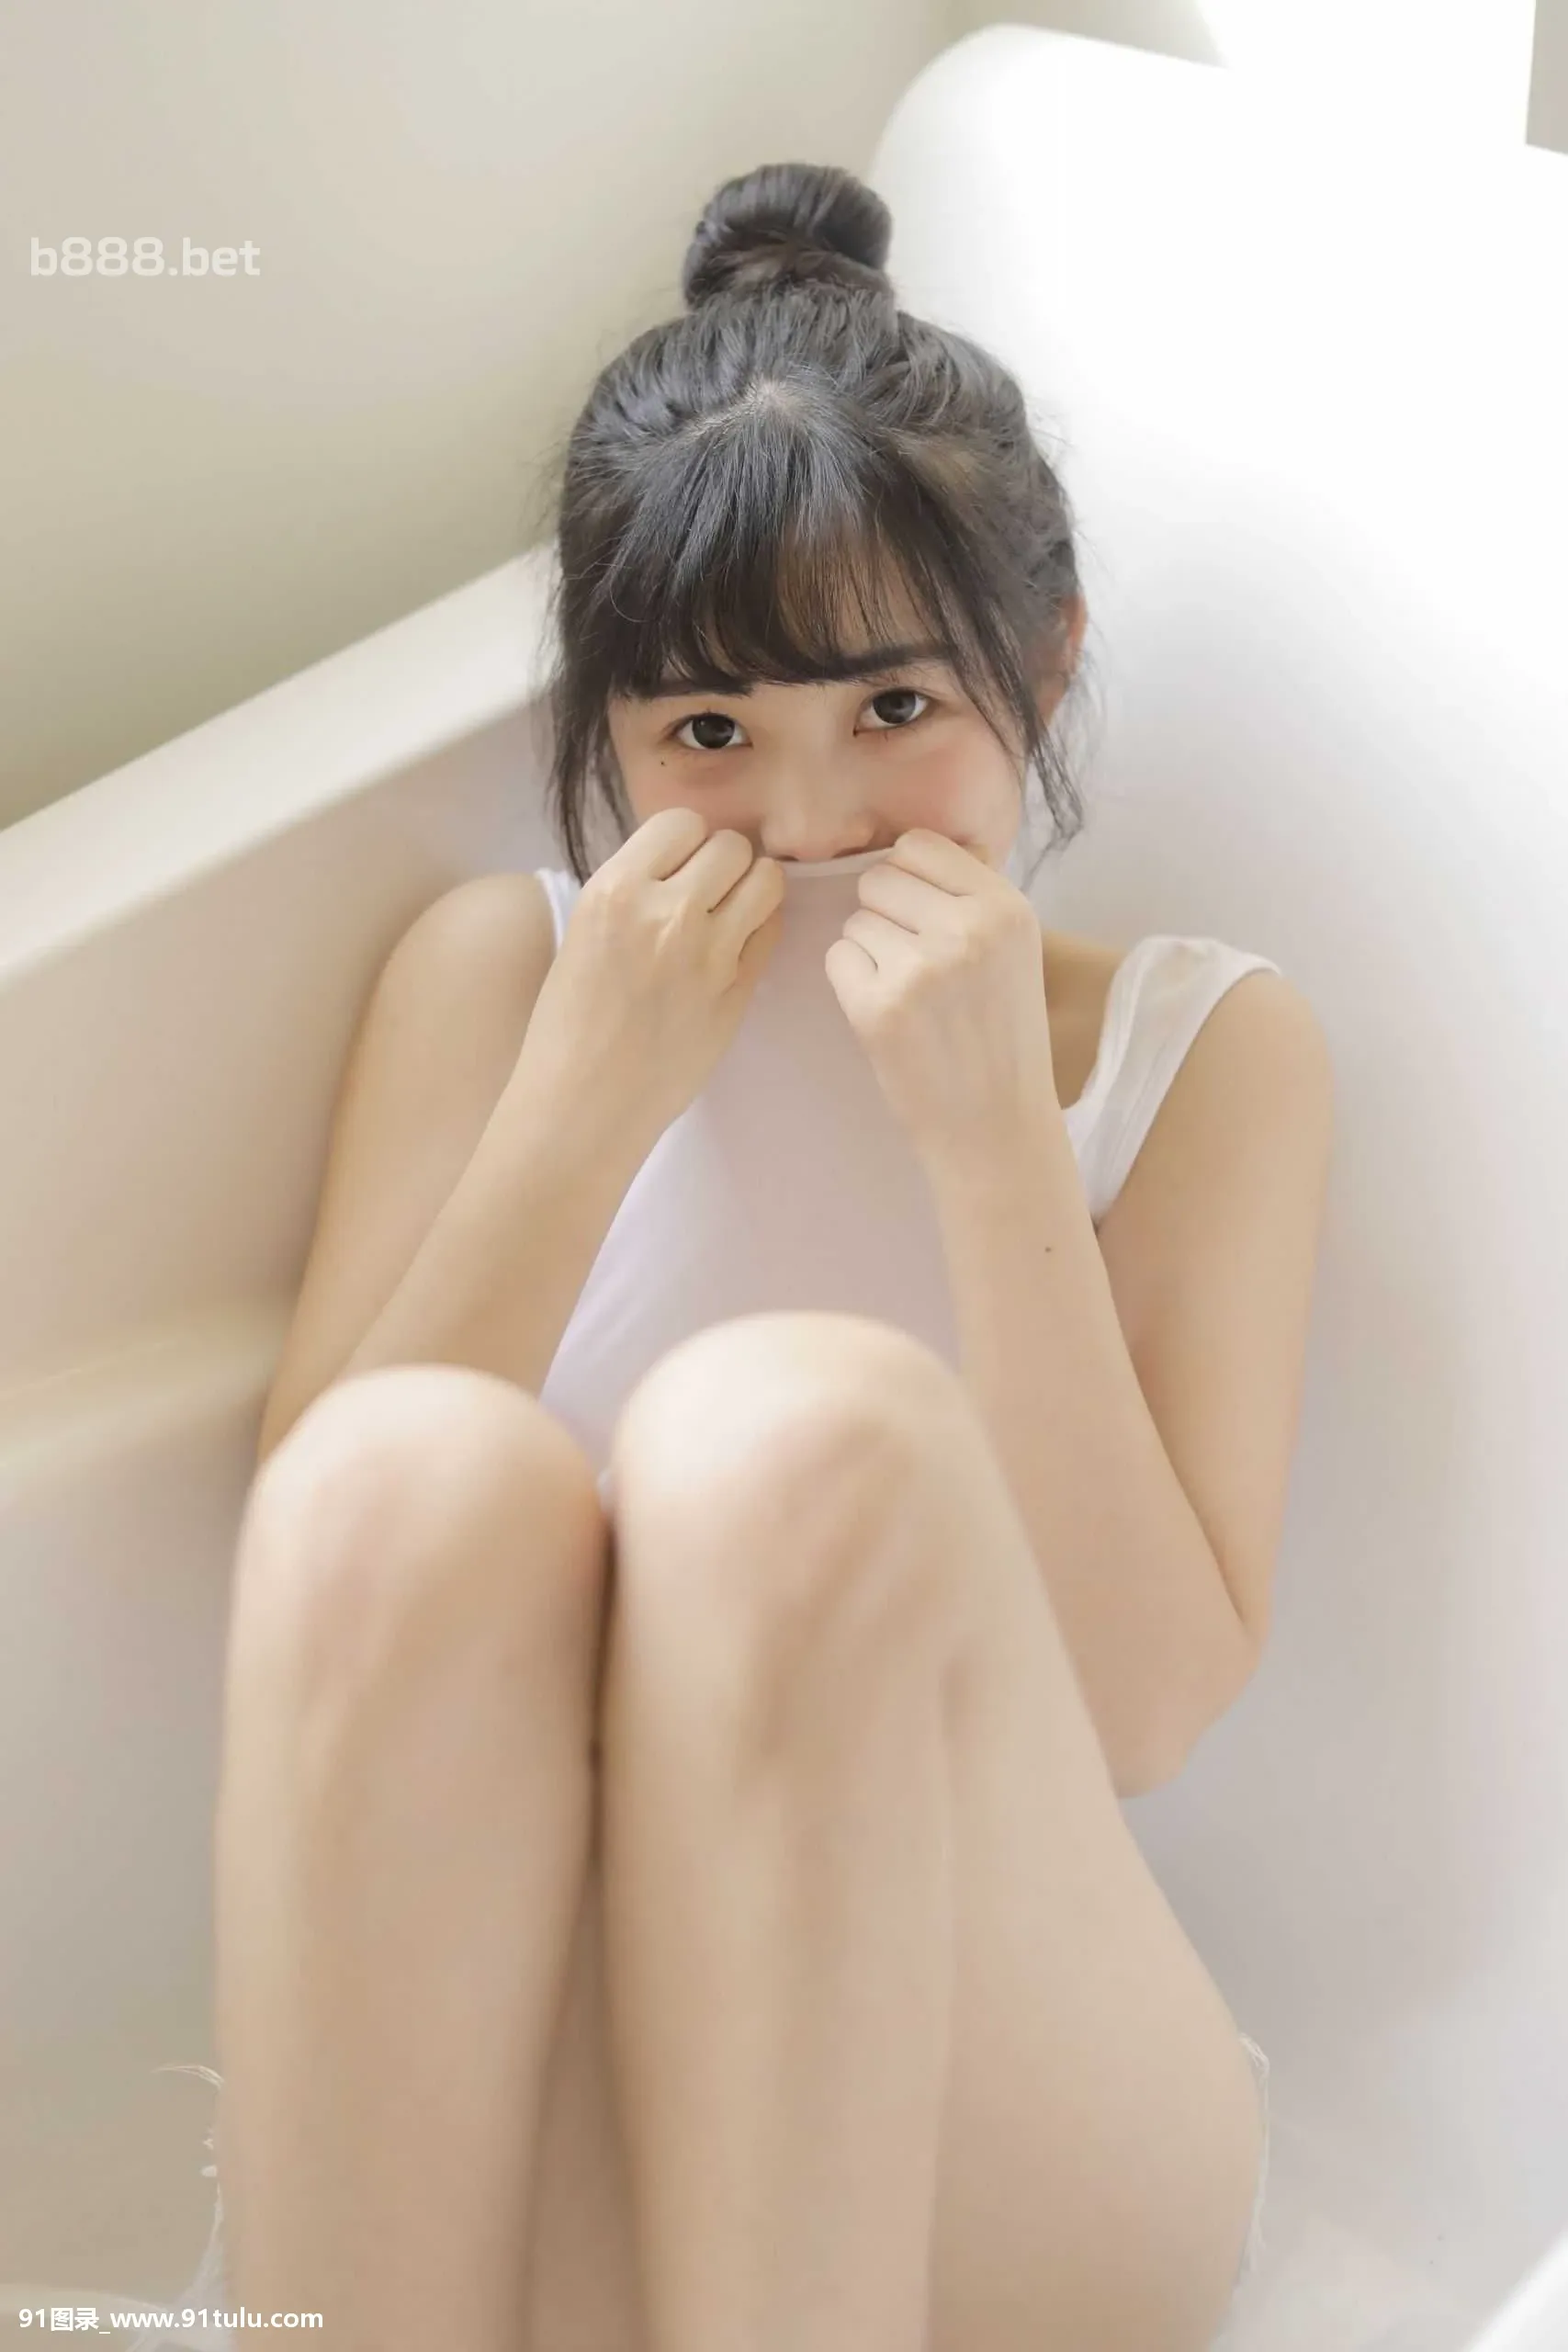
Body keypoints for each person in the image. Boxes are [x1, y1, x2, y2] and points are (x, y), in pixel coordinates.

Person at [171, 158, 1334, 2351]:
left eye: (895, 712)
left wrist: (991, 1146)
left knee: (788, 1442)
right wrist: (581, 1101)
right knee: (402, 1477)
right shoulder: (494, 978)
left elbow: (1140, 1710)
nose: (808, 824)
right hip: (536, 2130)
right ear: (604, 727)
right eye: (708, 733)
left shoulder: (1197, 1052)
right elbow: (318, 1611)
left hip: (1002, 2118)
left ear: (1045, 660)